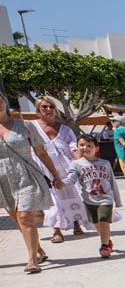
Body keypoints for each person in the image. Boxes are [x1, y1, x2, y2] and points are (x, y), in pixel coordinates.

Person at [0, 87, 64, 273]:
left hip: (25, 175)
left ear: (5, 102)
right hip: (3, 180)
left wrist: (55, 175)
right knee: (17, 218)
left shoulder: (25, 126)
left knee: (25, 216)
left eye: (0, 99)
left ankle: (32, 260)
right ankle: (39, 250)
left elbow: (41, 152)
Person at [32, 97, 92, 242]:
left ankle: (77, 223)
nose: (48, 109)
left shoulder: (65, 129)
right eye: (44, 107)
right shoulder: (32, 127)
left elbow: (74, 148)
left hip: (66, 167)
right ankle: (57, 230)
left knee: (74, 194)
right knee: (53, 199)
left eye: (51, 106)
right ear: (38, 110)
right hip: (44, 169)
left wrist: (81, 165)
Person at [63, 134, 122, 258]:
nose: (85, 147)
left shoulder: (105, 163)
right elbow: (71, 179)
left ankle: (104, 246)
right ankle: (107, 240)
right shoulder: (76, 164)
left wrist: (117, 200)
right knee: (96, 223)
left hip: (106, 198)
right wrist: (61, 183)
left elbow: (112, 181)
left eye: (89, 145)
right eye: (82, 145)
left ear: (97, 148)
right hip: (89, 199)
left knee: (104, 222)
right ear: (77, 147)